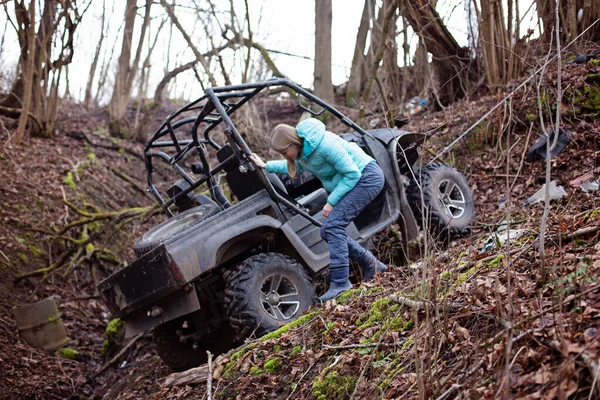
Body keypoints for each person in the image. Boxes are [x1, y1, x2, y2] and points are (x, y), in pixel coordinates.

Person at [249, 118, 387, 301]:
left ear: (292, 143)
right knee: (327, 230)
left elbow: (352, 173)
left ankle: (341, 283)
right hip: (355, 181)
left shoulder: (324, 145)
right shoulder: (303, 154)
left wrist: (331, 201)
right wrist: (266, 165)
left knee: (333, 226)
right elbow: (292, 168)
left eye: (284, 152)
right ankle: (372, 265)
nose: (285, 156)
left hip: (367, 178)